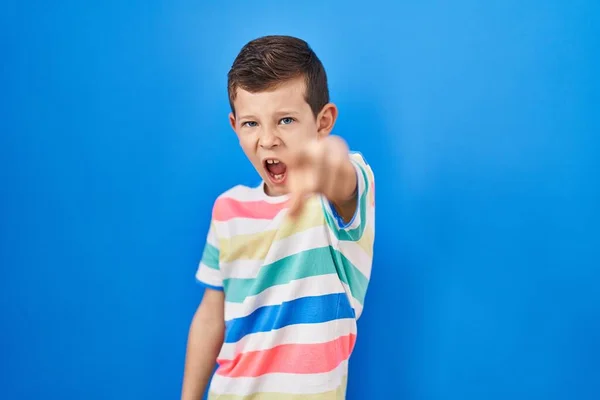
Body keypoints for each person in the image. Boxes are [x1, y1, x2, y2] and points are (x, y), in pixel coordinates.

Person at [181, 35, 376, 400]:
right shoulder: (228, 209)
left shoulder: (334, 201)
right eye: (251, 123)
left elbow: (339, 169)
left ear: (323, 122)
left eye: (285, 120)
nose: (268, 139)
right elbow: (211, 314)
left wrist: (324, 164)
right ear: (234, 125)